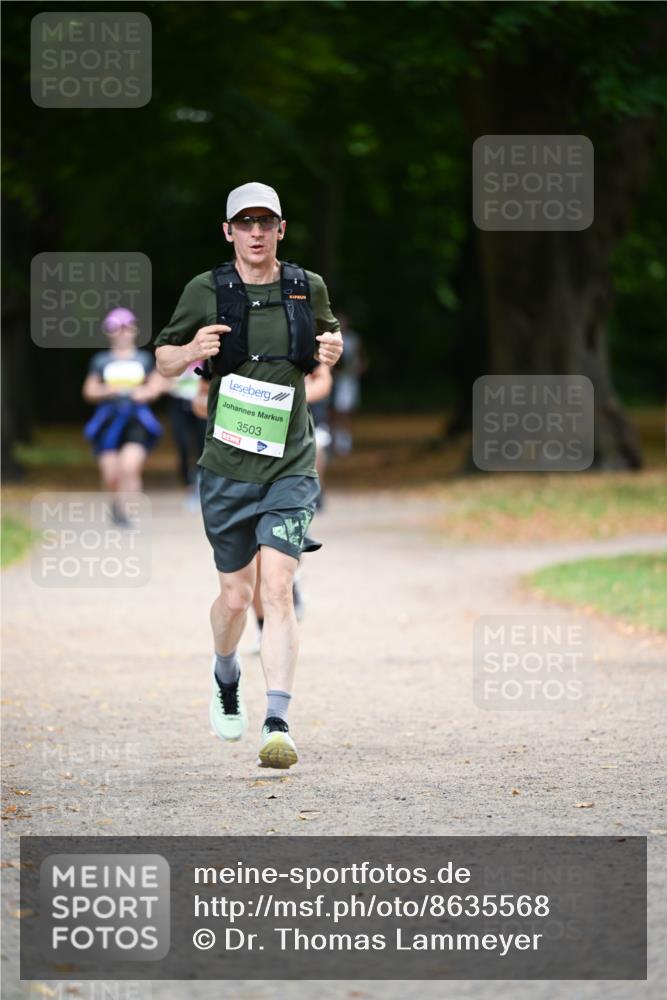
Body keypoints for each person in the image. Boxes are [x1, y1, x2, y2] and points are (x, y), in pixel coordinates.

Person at [154, 182, 343, 769]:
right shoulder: (206, 290)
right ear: (228, 230)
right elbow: (161, 361)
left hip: (290, 462)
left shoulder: (305, 287)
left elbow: (325, 346)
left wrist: (330, 353)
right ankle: (226, 672)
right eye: (245, 223)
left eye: (267, 222)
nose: (256, 232)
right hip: (228, 467)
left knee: (277, 589)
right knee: (235, 597)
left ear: (281, 229)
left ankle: (277, 722)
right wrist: (190, 349)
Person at [82, 307, 164, 526]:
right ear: (109, 332)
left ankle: (129, 512)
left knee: (130, 466)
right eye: (116, 328)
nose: (122, 332)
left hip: (136, 420)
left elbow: (156, 386)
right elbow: (89, 391)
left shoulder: (144, 359)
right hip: (108, 420)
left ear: (134, 330)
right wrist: (109, 391)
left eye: (126, 327)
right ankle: (116, 506)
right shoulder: (100, 360)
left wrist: (144, 393)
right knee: (111, 474)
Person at [165, 361, 208, 508]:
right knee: (182, 444)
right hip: (179, 405)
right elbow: (162, 379)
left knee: (202, 446)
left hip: (201, 404)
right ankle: (188, 486)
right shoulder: (177, 354)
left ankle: (200, 486)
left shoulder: (208, 358)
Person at [331, 311, 367, 456]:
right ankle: (336, 441)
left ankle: (346, 441)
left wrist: (359, 368)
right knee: (334, 411)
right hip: (335, 380)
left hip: (349, 380)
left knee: (348, 410)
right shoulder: (331, 338)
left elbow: (362, 357)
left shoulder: (353, 339)